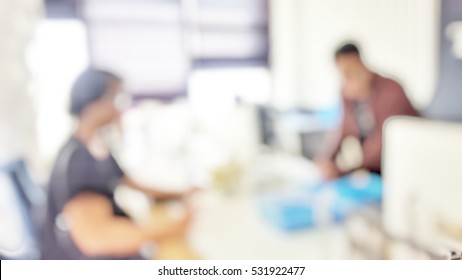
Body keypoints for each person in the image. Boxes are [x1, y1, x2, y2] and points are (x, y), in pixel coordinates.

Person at [42, 69, 194, 259]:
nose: (121, 107)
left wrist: (183, 194)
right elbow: (96, 239)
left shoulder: (96, 149)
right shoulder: (77, 161)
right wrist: (173, 228)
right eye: (116, 97)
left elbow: (132, 184)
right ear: (93, 102)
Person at [315, 43, 419, 179]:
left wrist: (343, 169)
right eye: (343, 74)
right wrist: (325, 158)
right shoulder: (348, 93)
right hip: (373, 170)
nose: (347, 78)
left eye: (351, 71)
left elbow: (385, 139)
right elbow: (343, 128)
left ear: (360, 63)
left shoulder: (392, 90)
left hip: (404, 165)